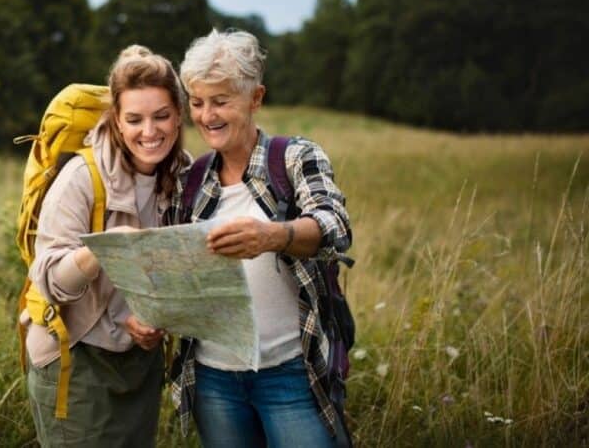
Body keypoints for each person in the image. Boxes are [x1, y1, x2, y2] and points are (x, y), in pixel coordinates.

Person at [168, 29, 353, 447]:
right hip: (213, 377)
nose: (207, 115)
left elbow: (335, 224)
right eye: (197, 102)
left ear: (255, 98)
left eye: (221, 101)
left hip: (289, 373)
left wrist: (275, 235)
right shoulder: (190, 179)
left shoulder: (294, 157)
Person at [24, 45, 189, 447]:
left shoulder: (184, 174)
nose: (149, 132)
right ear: (116, 120)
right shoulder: (82, 178)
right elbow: (49, 280)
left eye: (161, 116)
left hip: (140, 365)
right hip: (77, 362)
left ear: (179, 115)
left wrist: (154, 317)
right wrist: (102, 249)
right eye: (134, 119)